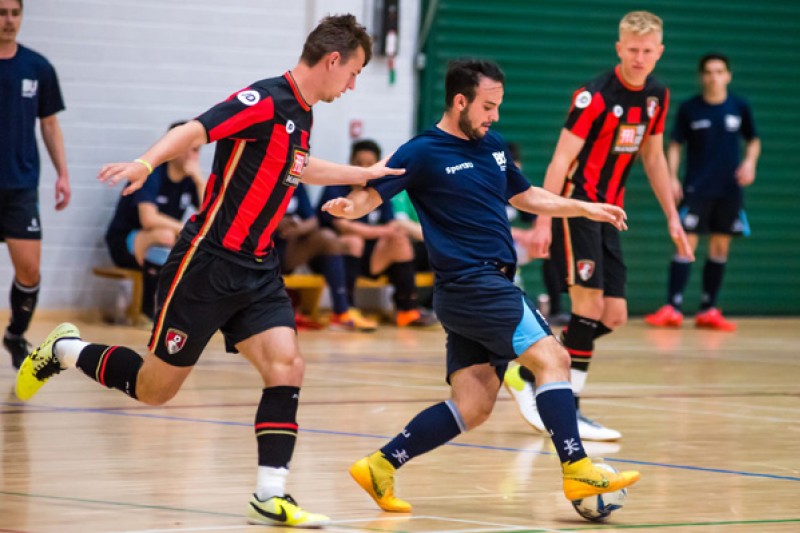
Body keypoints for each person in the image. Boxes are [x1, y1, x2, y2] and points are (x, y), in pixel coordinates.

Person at [15, 14, 402, 528]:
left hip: (258, 269)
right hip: (207, 262)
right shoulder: (263, 99)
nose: (353, 84)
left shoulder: (303, 116)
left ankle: (270, 493)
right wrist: (145, 164)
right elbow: (198, 128)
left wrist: (363, 175)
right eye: (353, 72)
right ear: (333, 60)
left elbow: (295, 166)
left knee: (287, 366)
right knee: (156, 389)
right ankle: (64, 351)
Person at [322, 59, 639, 514]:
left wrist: (583, 208)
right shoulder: (422, 151)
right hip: (475, 283)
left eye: (498, 106)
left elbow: (526, 195)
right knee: (554, 358)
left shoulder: (491, 145)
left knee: (473, 404)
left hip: (473, 290)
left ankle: (380, 464)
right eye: (488, 107)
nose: (494, 116)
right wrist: (348, 208)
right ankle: (577, 467)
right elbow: (372, 191)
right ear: (460, 101)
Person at [505, 11, 694, 442]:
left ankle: (527, 370)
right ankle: (566, 410)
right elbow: (560, 160)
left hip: (612, 212)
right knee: (587, 308)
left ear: (659, 51)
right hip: (578, 207)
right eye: (632, 49)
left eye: (648, 51)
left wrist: (672, 217)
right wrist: (544, 221)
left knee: (614, 314)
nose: (640, 57)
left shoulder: (657, 97)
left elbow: (654, 157)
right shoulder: (594, 96)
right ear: (619, 48)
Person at [645, 53, 760, 332]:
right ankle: (673, 306)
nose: (714, 77)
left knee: (720, 246)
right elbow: (674, 144)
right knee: (686, 243)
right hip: (697, 187)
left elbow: (753, 140)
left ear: (728, 75)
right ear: (701, 76)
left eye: (720, 71)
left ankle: (709, 309)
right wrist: (672, 177)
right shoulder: (690, 109)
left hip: (729, 190)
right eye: (708, 72)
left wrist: (749, 162)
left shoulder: (739, 106)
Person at [1, 0, 71, 368]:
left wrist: (63, 173)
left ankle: (15, 335)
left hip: (20, 186)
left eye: (14, 12)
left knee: (29, 270)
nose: (9, 20)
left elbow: (49, 124)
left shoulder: (38, 67)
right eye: (1, 12)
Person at [317, 140, 438, 327]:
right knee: (353, 240)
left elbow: (392, 224)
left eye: (369, 163)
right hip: (338, 255)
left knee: (399, 240)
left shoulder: (379, 190)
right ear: (351, 161)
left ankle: (406, 309)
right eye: (360, 162)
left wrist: (385, 231)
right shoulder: (336, 187)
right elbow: (343, 226)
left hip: (371, 256)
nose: (364, 167)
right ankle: (346, 309)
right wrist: (381, 231)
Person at [105, 121, 204, 321]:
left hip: (160, 244)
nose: (193, 156)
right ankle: (145, 309)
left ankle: (180, 311)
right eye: (190, 149)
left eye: (197, 150)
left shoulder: (189, 180)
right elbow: (148, 219)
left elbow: (208, 216)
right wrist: (185, 228)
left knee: (197, 245)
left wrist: (200, 180)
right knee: (167, 235)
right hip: (123, 242)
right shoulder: (152, 174)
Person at [274, 181, 377, 331]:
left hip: (290, 248)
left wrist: (298, 228)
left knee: (329, 238)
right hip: (262, 246)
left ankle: (342, 310)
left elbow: (312, 220)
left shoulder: (294, 182)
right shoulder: (256, 178)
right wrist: (275, 223)